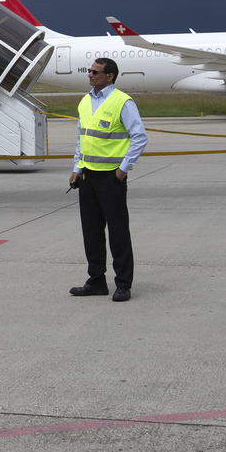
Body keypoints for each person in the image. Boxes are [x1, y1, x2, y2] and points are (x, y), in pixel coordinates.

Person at [68, 58, 147, 302]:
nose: (90, 75)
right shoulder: (85, 101)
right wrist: (77, 166)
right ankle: (96, 281)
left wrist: (123, 169)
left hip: (111, 177)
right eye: (89, 71)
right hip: (87, 176)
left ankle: (123, 284)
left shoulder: (122, 101)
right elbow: (83, 137)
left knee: (118, 232)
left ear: (109, 76)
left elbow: (139, 137)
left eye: (95, 72)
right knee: (91, 231)